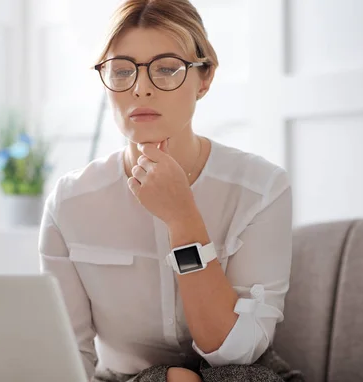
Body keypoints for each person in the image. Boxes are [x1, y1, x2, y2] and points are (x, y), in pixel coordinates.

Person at [39, 1, 304, 381]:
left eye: (166, 69)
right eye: (122, 71)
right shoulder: (70, 203)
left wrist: (183, 219)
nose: (141, 89)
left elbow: (236, 351)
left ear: (205, 77)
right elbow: (67, 358)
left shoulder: (261, 188)